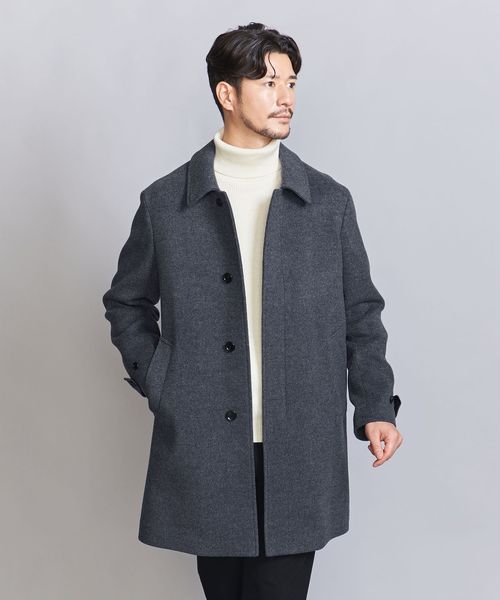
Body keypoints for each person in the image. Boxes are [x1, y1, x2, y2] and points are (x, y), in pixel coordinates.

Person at [102, 21, 403, 600]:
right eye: (268, 83)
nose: (286, 97)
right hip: (207, 445)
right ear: (227, 93)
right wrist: (163, 380)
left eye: (291, 83)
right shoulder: (166, 203)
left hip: (301, 441)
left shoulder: (328, 203)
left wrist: (374, 405)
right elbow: (126, 302)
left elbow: (362, 312)